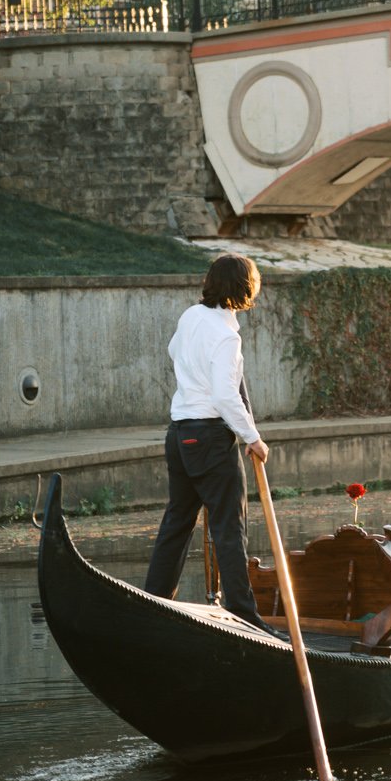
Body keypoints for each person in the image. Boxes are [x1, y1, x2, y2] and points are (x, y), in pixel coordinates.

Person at [144, 252, 273, 630]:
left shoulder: (191, 317)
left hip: (179, 433)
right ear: (246, 289)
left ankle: (154, 601)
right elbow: (225, 396)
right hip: (211, 437)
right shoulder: (226, 337)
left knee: (177, 522)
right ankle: (245, 616)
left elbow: (174, 351)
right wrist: (253, 438)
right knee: (229, 528)